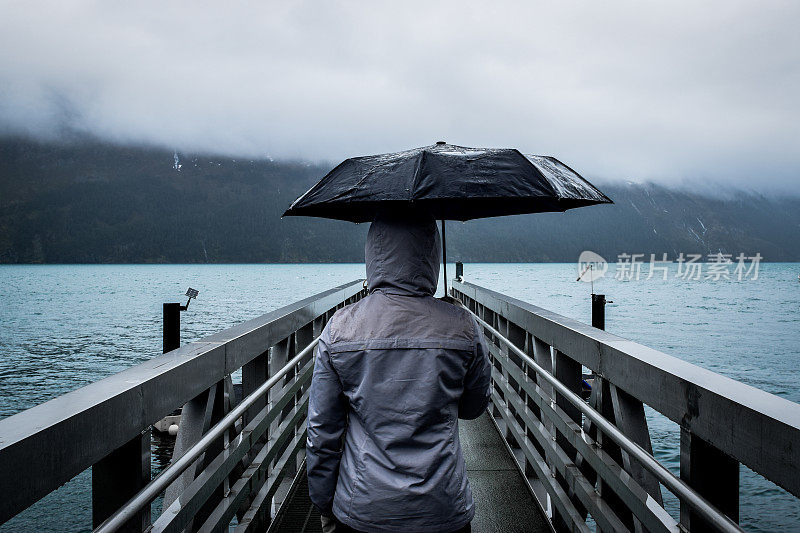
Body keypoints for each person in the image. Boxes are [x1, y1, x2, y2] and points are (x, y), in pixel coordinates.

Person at [306, 211, 492, 533]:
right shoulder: (462, 325)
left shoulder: (340, 328)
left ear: (374, 255)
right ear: (431, 255)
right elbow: (475, 407)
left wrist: (325, 502)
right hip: (443, 507)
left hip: (362, 508)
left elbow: (322, 431)